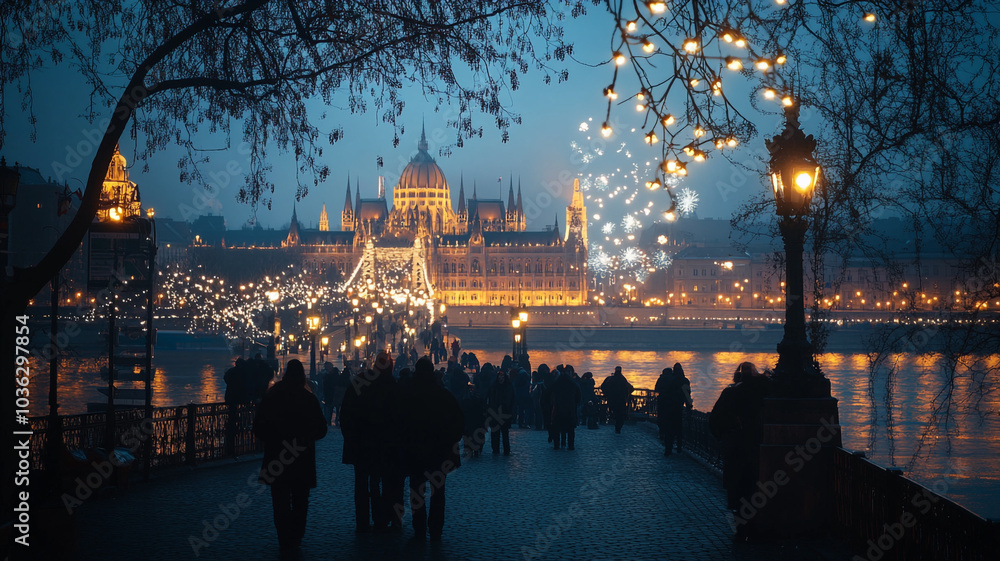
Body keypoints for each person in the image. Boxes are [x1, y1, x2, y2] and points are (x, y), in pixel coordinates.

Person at [252, 360, 328, 550]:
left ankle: (284, 537)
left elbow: (258, 426)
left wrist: (272, 439)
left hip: (277, 457)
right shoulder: (309, 398)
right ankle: (296, 535)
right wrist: (306, 438)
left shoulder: (273, 396)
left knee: (280, 500)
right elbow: (321, 429)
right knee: (301, 500)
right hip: (302, 458)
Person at [400, 357, 464, 541]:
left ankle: (419, 528)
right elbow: (458, 422)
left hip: (415, 452)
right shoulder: (443, 395)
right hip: (439, 453)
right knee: (438, 492)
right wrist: (450, 442)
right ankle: (436, 529)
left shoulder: (408, 396)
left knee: (416, 490)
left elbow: (398, 423)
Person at [709, 362, 771, 526]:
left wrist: (722, 436)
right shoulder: (763, 392)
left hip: (734, 445)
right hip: (757, 446)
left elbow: (714, 419)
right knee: (754, 483)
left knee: (736, 486)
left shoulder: (730, 393)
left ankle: (740, 520)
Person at [656, 365, 693, 455]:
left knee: (669, 428)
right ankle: (679, 446)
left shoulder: (670, 380)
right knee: (678, 427)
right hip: (678, 408)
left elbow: (662, 392)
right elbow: (687, 395)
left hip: (667, 407)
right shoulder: (684, 381)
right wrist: (689, 406)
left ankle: (668, 448)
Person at [486, 368, 516, 455]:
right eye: (499, 376)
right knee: (495, 433)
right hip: (495, 413)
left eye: (502, 376)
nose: (500, 378)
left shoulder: (507, 387)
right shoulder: (495, 387)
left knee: (504, 433)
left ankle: (506, 450)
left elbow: (512, 401)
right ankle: (495, 449)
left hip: (504, 413)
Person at [550, 367, 581, 450]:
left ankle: (556, 445)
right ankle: (571, 445)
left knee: (557, 428)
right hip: (570, 408)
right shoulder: (573, 384)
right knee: (570, 429)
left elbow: (550, 393)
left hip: (558, 408)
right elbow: (579, 396)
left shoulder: (557, 384)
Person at [600, 366, 634, 433]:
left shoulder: (610, 379)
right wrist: (626, 395)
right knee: (620, 414)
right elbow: (630, 388)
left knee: (613, 412)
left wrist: (607, 394)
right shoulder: (623, 379)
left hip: (612, 399)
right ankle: (618, 427)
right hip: (621, 400)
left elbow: (603, 387)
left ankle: (613, 422)